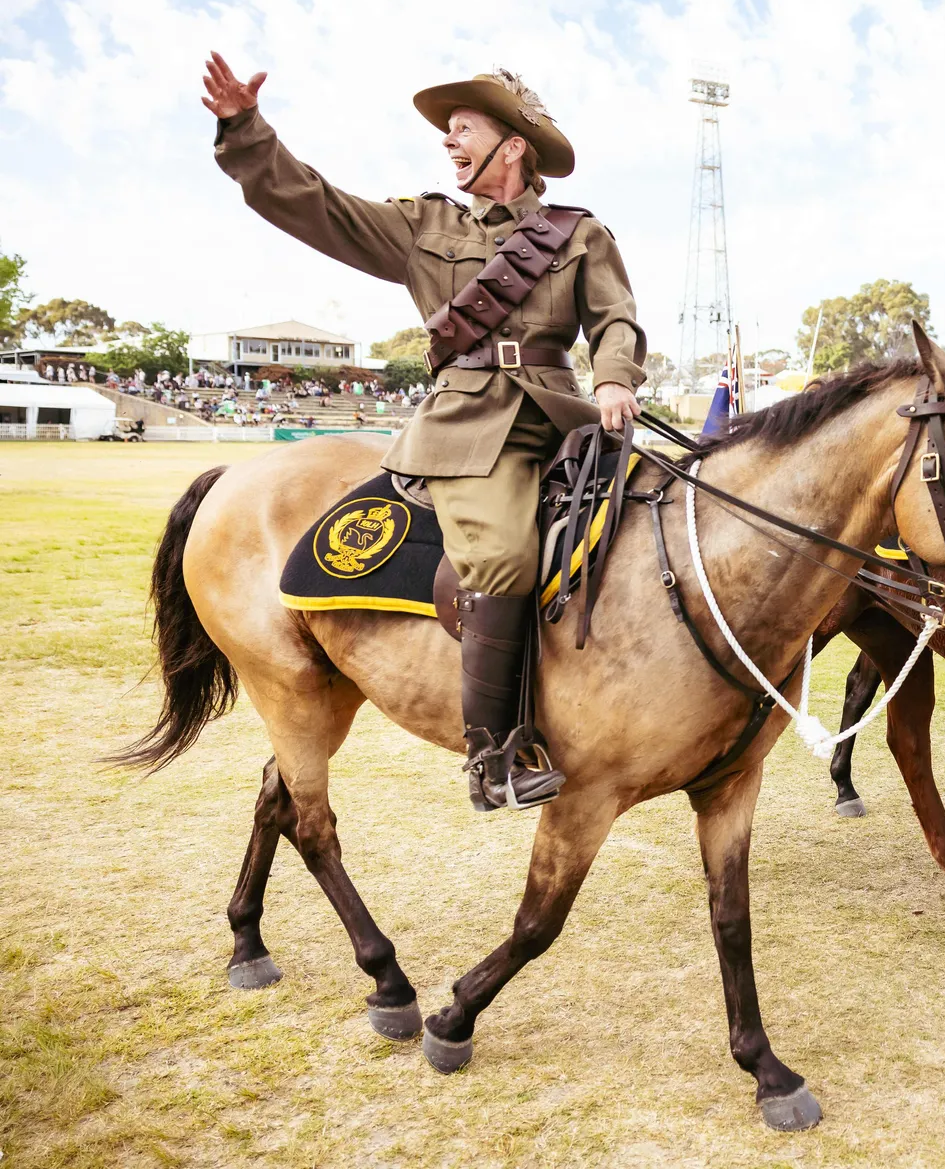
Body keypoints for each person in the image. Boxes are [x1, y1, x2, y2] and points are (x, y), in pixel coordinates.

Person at [204, 51, 645, 811]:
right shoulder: (426, 226)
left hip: (568, 419)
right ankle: (496, 752)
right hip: (471, 429)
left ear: (513, 144)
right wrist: (245, 130)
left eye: (462, 126)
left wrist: (614, 377)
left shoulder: (580, 235)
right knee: (503, 557)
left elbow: (616, 319)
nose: (448, 140)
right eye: (447, 131)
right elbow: (315, 204)